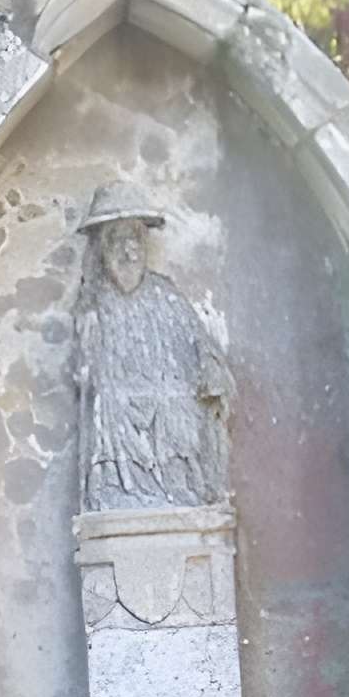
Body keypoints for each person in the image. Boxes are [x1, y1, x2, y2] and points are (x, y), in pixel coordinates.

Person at [74, 184, 231, 516]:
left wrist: (210, 366)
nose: (129, 253)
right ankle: (118, 490)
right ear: (103, 249)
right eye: (118, 243)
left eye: (135, 242)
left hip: (169, 395)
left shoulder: (166, 294)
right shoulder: (93, 302)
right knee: (110, 403)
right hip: (117, 397)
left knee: (175, 403)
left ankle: (182, 488)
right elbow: (85, 370)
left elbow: (202, 344)